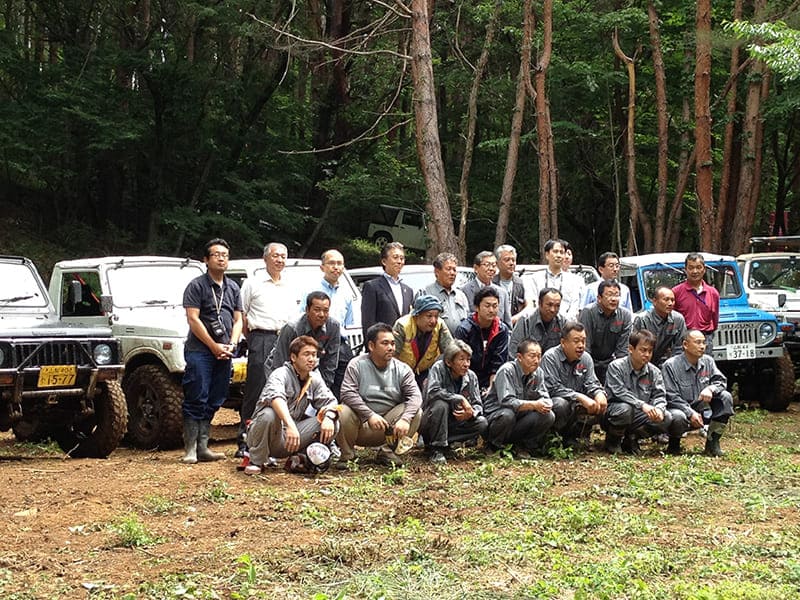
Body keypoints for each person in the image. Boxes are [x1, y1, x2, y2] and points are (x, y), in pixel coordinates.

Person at [181, 238, 243, 464]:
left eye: (225, 254)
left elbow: (238, 320)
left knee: (216, 396)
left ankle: (203, 446)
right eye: (216, 254)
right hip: (201, 350)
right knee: (196, 394)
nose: (221, 258)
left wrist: (232, 344)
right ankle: (190, 448)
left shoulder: (233, 287)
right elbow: (193, 319)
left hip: (225, 350)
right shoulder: (196, 285)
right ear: (205, 260)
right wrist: (213, 346)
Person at [244, 336, 340, 475]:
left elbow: (330, 402)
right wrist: (290, 425)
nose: (311, 359)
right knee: (268, 415)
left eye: (314, 355)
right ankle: (257, 461)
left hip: (291, 438)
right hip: (272, 435)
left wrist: (329, 417)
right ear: (293, 357)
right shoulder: (280, 374)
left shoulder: (314, 379)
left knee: (332, 422)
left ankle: (303, 458)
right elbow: (276, 398)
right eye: (306, 354)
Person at [238, 242, 296, 457]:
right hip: (260, 337)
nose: (279, 260)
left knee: (282, 390)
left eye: (283, 256)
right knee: (257, 389)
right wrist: (253, 339)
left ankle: (275, 441)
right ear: (265, 258)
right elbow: (242, 316)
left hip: (285, 339)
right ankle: (245, 441)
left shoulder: (290, 285)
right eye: (275, 256)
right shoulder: (252, 283)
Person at [338, 323, 422, 467]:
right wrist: (369, 415)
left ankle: (388, 452)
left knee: (416, 412)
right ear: (371, 346)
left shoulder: (402, 369)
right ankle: (347, 455)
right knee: (341, 411)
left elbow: (416, 396)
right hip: (361, 426)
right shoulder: (356, 364)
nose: (391, 348)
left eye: (393, 343)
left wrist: (406, 419)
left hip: (388, 429)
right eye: (385, 343)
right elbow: (347, 393)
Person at [661, 330, 734, 456]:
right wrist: (690, 413)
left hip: (702, 409)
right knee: (678, 417)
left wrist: (710, 388)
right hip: (680, 409)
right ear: (685, 345)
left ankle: (712, 443)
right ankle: (674, 444)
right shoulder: (670, 366)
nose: (702, 346)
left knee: (725, 397)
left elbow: (721, 381)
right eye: (697, 342)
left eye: (704, 343)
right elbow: (671, 397)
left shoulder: (708, 361)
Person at [483, 340, 557, 456]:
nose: (536, 360)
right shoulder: (507, 370)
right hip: (497, 418)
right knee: (508, 415)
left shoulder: (539, 373)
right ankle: (493, 446)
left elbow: (545, 396)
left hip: (519, 419)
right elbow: (507, 401)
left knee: (548, 415)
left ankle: (523, 446)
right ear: (519, 357)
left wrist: (547, 403)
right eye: (532, 356)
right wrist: (534, 405)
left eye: (539, 356)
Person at [602, 330, 671, 455]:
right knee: (625, 409)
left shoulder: (654, 372)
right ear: (630, 349)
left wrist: (659, 409)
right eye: (643, 350)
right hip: (614, 412)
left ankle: (632, 438)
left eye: (650, 351)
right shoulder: (616, 366)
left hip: (640, 415)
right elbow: (619, 391)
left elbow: (659, 395)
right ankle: (613, 440)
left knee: (666, 418)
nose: (647, 354)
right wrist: (642, 405)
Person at [540, 322, 607, 448]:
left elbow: (591, 382)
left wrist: (599, 393)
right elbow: (552, 388)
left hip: (576, 405)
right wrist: (580, 397)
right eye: (576, 341)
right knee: (560, 404)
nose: (581, 346)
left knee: (600, 402)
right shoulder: (550, 357)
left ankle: (574, 436)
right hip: (554, 404)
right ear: (563, 342)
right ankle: (552, 439)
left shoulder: (586, 358)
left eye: (583, 341)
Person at [421, 340, 488, 464]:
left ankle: (446, 443)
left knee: (482, 423)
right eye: (461, 359)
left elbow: (478, 404)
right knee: (441, 405)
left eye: (468, 360)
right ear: (449, 362)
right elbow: (433, 392)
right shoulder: (438, 368)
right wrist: (459, 398)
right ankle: (437, 449)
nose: (466, 364)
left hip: (455, 421)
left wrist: (471, 413)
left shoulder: (471, 376)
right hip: (432, 419)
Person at [268, 291, 340, 391]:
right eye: (317, 310)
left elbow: (330, 362)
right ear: (307, 310)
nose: (322, 314)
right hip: (281, 367)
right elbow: (279, 361)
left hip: (311, 369)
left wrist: (323, 388)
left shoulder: (333, 326)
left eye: (326, 310)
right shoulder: (292, 328)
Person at [455, 286, 510, 393]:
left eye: (495, 306)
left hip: (489, 379)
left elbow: (498, 362)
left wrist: (491, 388)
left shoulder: (501, 330)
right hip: (466, 378)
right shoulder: (465, 329)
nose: (491, 310)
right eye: (487, 306)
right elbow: (459, 362)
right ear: (477, 307)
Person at [393, 295, 454, 387]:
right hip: (400, 373)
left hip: (424, 372)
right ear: (417, 315)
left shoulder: (440, 325)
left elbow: (451, 351)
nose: (433, 321)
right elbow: (392, 356)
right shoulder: (402, 325)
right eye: (429, 316)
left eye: (436, 316)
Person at [578, 280, 632, 383]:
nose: (613, 299)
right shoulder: (588, 312)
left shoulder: (625, 316)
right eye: (609, 295)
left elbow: (622, 350)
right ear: (599, 298)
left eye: (617, 295)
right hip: (589, 360)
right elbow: (585, 346)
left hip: (610, 362)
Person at [361, 242, 414, 340]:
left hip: (404, 347)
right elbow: (368, 322)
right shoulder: (372, 286)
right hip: (382, 344)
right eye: (395, 257)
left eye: (402, 258)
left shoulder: (408, 291)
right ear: (384, 261)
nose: (399, 261)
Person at [672, 253, 719, 353]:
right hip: (683, 339)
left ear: (704, 269)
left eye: (698, 267)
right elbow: (671, 318)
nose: (695, 271)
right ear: (685, 269)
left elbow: (715, 319)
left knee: (705, 367)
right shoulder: (676, 292)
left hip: (705, 339)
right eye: (691, 268)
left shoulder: (713, 293)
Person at [528, 239, 585, 320]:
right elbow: (533, 304)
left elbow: (574, 307)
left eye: (561, 252)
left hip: (565, 325)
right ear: (547, 255)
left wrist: (563, 323)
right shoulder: (535, 278)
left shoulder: (573, 281)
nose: (558, 255)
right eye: (555, 251)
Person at [632, 286, 686, 367]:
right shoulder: (642, 319)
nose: (670, 303)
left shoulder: (678, 319)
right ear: (655, 301)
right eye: (666, 299)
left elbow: (679, 348)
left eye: (672, 300)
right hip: (644, 362)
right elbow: (635, 347)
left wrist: (672, 365)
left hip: (669, 363)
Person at [508, 287, 566, 357]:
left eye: (557, 306)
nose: (553, 309)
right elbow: (513, 351)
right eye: (549, 305)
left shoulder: (562, 322)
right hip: (527, 365)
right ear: (539, 303)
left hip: (552, 366)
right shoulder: (525, 321)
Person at [421, 252, 470, 335]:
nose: (452, 273)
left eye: (454, 270)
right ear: (437, 271)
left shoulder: (461, 295)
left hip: (459, 344)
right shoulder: (426, 293)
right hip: (435, 345)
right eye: (448, 269)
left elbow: (468, 322)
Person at [459, 251, 513, 327]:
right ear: (476, 268)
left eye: (494, 265)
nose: (491, 269)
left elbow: (508, 323)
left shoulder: (502, 293)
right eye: (487, 265)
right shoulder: (464, 291)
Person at [311, 249, 355, 328]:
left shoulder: (347, 293)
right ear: (322, 267)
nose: (336, 267)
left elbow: (349, 323)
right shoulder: (311, 290)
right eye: (331, 263)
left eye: (339, 263)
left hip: (339, 338)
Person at [493, 244, 529, 325]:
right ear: (497, 263)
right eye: (507, 260)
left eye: (513, 260)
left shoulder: (521, 283)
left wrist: (513, 319)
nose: (511, 263)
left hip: (516, 328)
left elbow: (529, 307)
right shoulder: (491, 283)